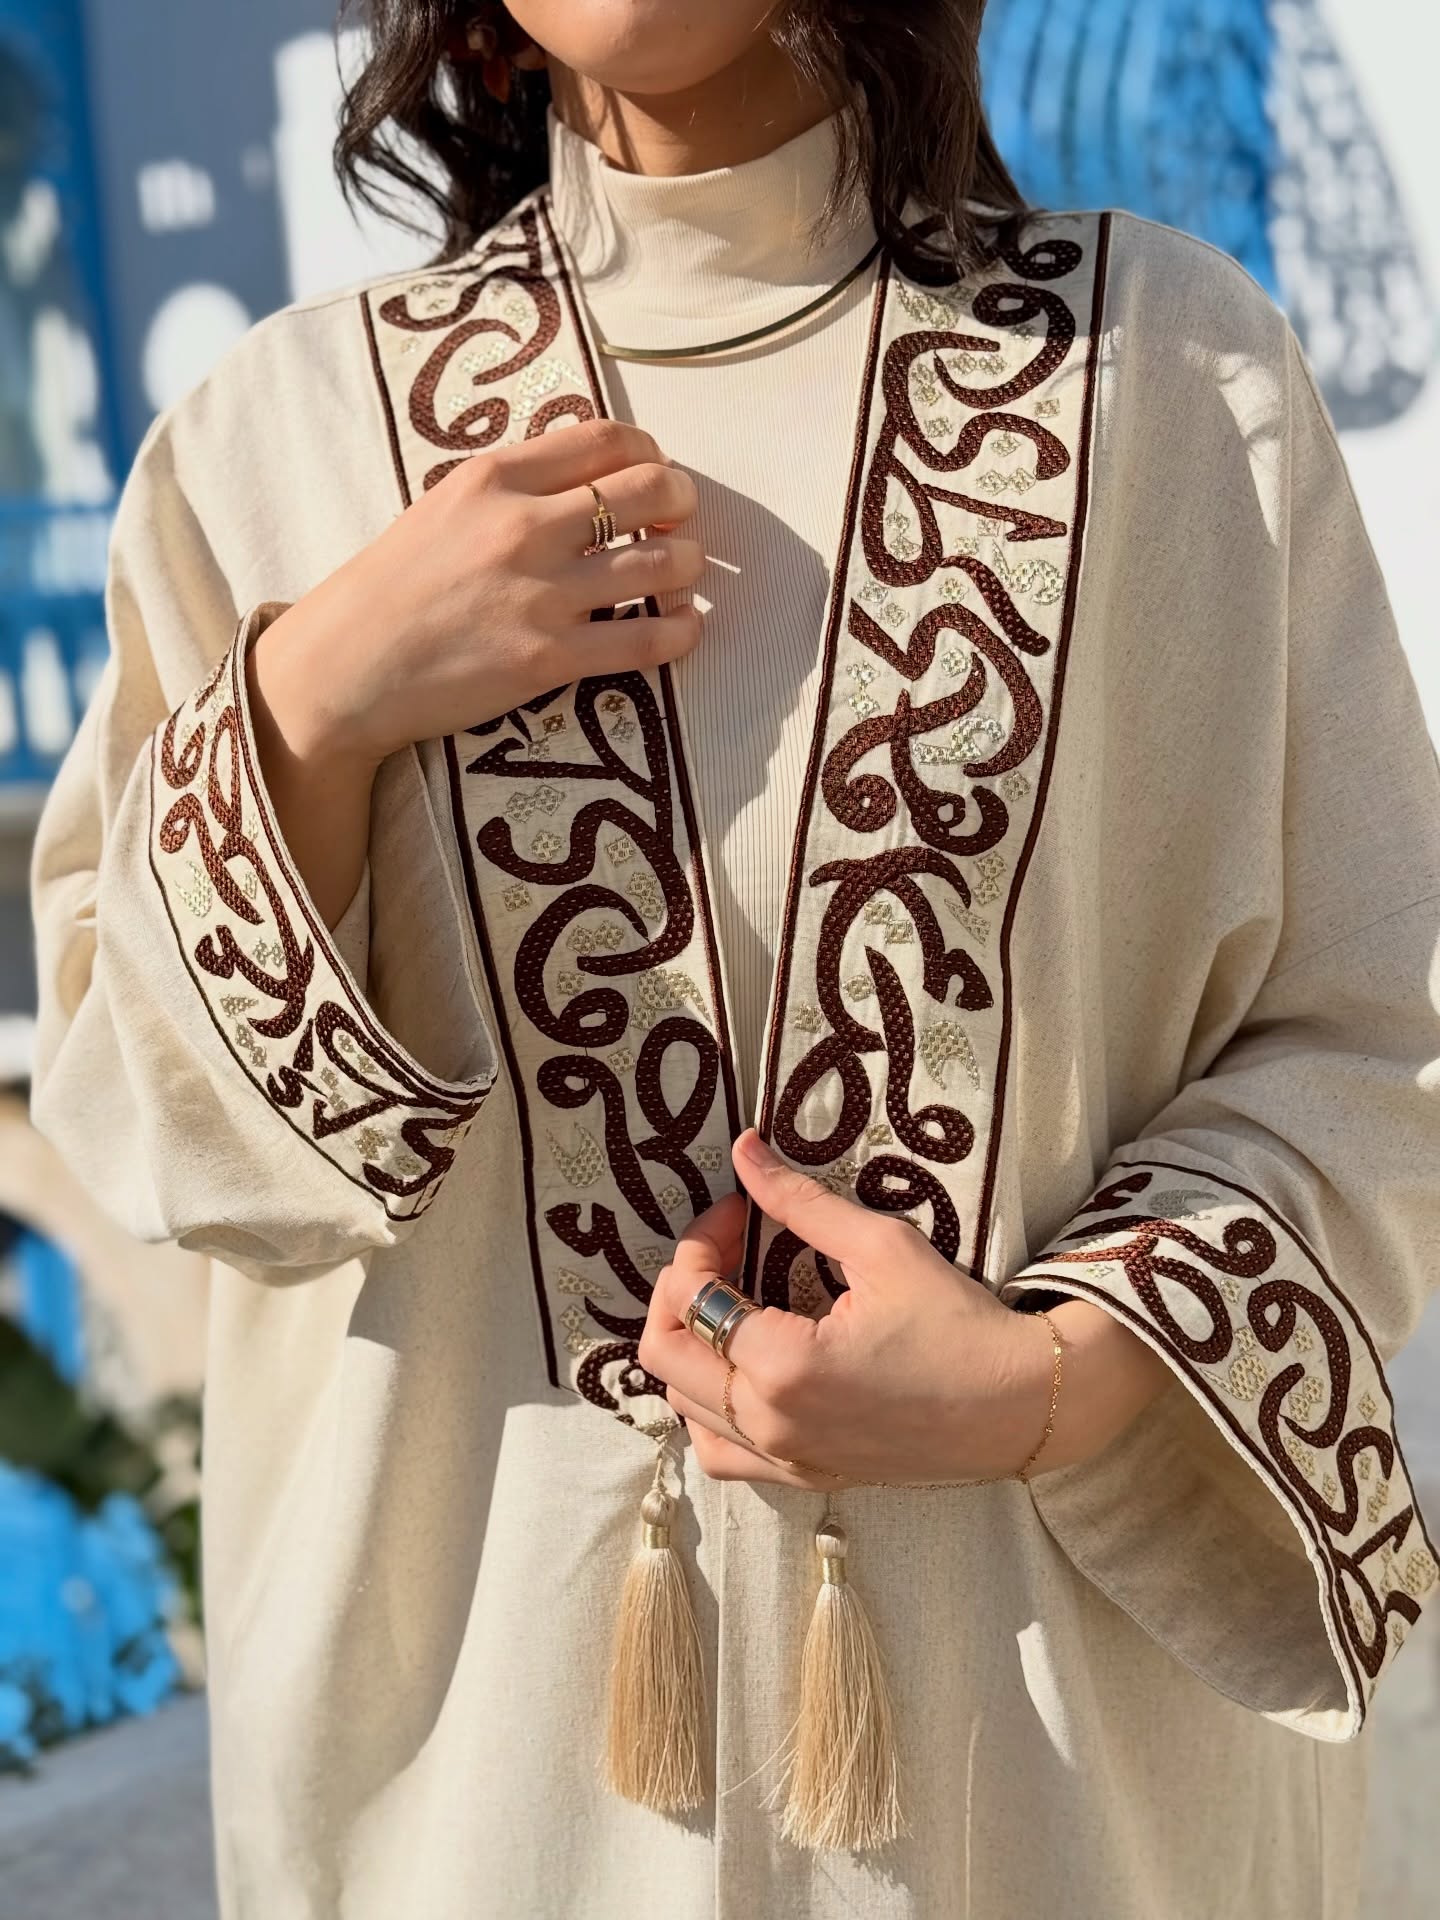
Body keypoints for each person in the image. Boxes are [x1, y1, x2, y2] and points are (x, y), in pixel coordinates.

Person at [29, 2, 1440, 1915]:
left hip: (1057, 1811)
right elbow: (138, 1123)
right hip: (478, 1818)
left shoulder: (1170, 378)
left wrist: (1058, 1373)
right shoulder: (271, 449)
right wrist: (314, 704)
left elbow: (1375, 1029)